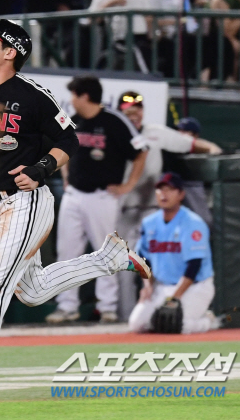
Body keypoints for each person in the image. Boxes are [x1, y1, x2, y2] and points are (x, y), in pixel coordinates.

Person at [0, 19, 151, 404]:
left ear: (10, 52)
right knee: (33, 290)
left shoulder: (32, 95)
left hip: (26, 202)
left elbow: (68, 139)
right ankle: (109, 259)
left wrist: (41, 168)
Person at [45, 76, 148, 325]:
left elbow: (141, 151)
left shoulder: (114, 121)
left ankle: (107, 307)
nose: (71, 100)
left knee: (105, 253)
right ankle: (67, 306)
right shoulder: (73, 121)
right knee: (67, 252)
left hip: (103, 196)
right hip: (75, 194)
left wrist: (129, 185)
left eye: (74, 94)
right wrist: (67, 177)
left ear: (85, 96)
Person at [114, 91, 221, 321]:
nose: (133, 114)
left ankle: (165, 314)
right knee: (122, 271)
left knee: (159, 268)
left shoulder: (155, 132)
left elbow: (190, 143)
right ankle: (124, 317)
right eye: (128, 110)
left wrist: (212, 148)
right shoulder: (112, 133)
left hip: (152, 211)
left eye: (137, 109)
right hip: (121, 212)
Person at [128, 172, 221, 333]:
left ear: (181, 195)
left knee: (178, 325)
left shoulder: (193, 223)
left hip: (195, 286)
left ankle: (208, 321)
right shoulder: (149, 223)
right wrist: (148, 287)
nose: (164, 194)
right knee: (137, 325)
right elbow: (144, 260)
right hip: (162, 286)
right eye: (160, 190)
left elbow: (194, 266)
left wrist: (175, 297)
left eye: (170, 190)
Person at [88, 0, 152, 71]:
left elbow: (149, 17)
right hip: (114, 40)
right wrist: (109, 4)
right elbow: (91, 19)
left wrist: (152, 35)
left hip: (140, 39)